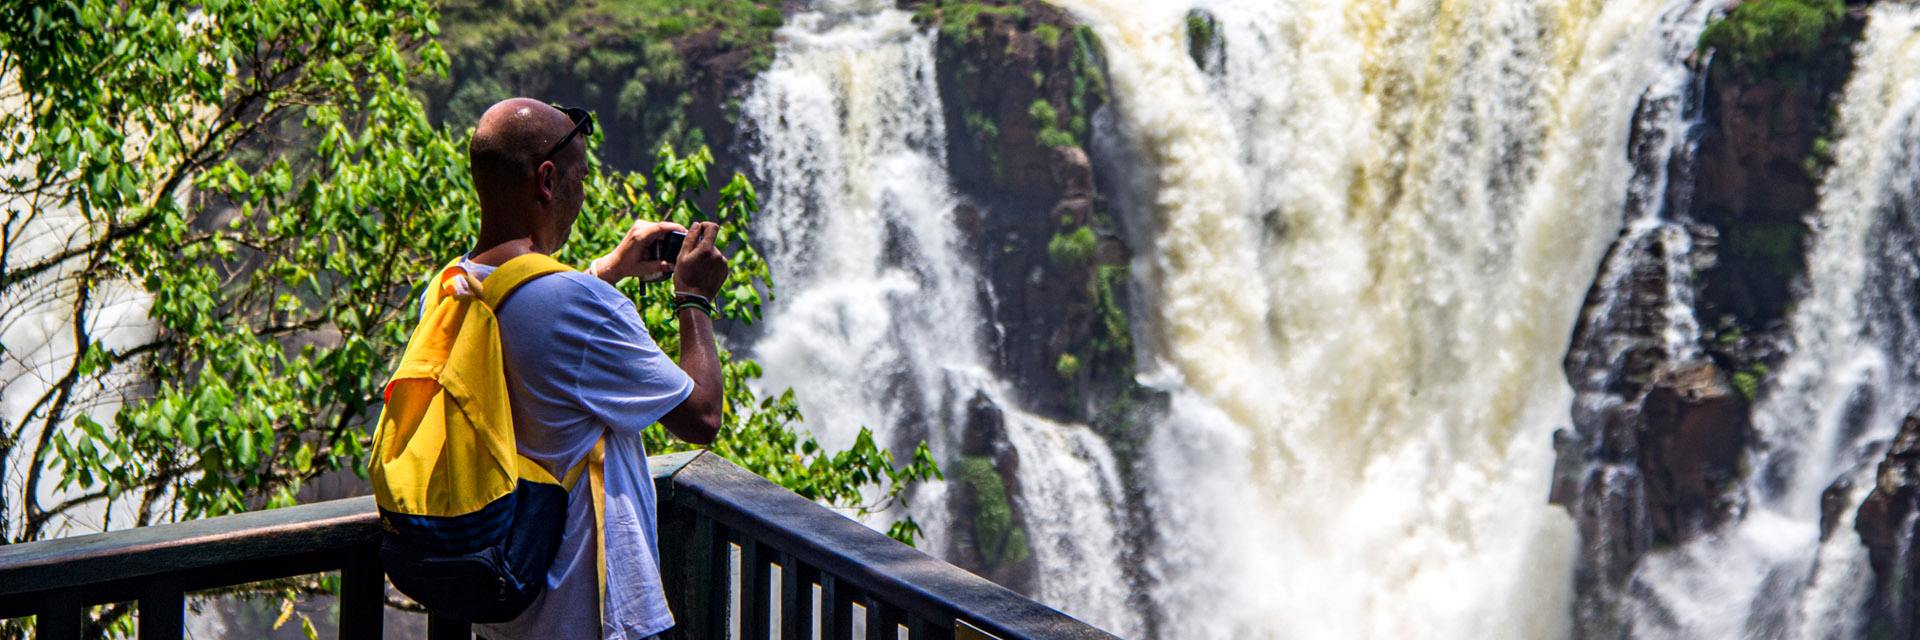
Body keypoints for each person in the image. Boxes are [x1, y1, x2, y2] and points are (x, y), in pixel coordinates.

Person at [456, 97, 727, 640]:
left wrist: (606, 269)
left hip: (506, 613)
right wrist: (693, 298)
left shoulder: (451, 289)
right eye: (581, 178)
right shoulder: (576, 304)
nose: (583, 195)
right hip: (598, 618)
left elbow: (538, 327)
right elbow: (701, 416)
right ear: (548, 180)